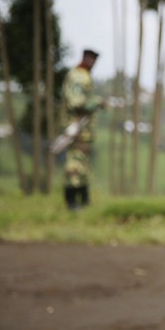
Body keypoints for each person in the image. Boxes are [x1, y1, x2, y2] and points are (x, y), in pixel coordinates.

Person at [60, 48, 104, 209]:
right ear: (85, 58)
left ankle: (83, 201)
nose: (93, 63)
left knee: (83, 167)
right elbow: (76, 103)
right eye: (91, 59)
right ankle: (71, 203)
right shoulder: (78, 76)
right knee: (75, 165)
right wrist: (97, 102)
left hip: (83, 131)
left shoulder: (83, 75)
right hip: (76, 129)